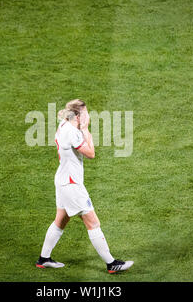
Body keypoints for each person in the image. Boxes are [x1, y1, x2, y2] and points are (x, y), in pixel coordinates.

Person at [36, 99, 134, 274]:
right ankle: (112, 264)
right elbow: (91, 154)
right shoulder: (73, 132)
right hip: (71, 185)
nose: (89, 116)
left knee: (60, 220)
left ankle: (44, 259)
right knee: (93, 222)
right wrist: (85, 129)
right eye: (86, 113)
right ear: (78, 116)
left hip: (62, 180)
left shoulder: (63, 125)